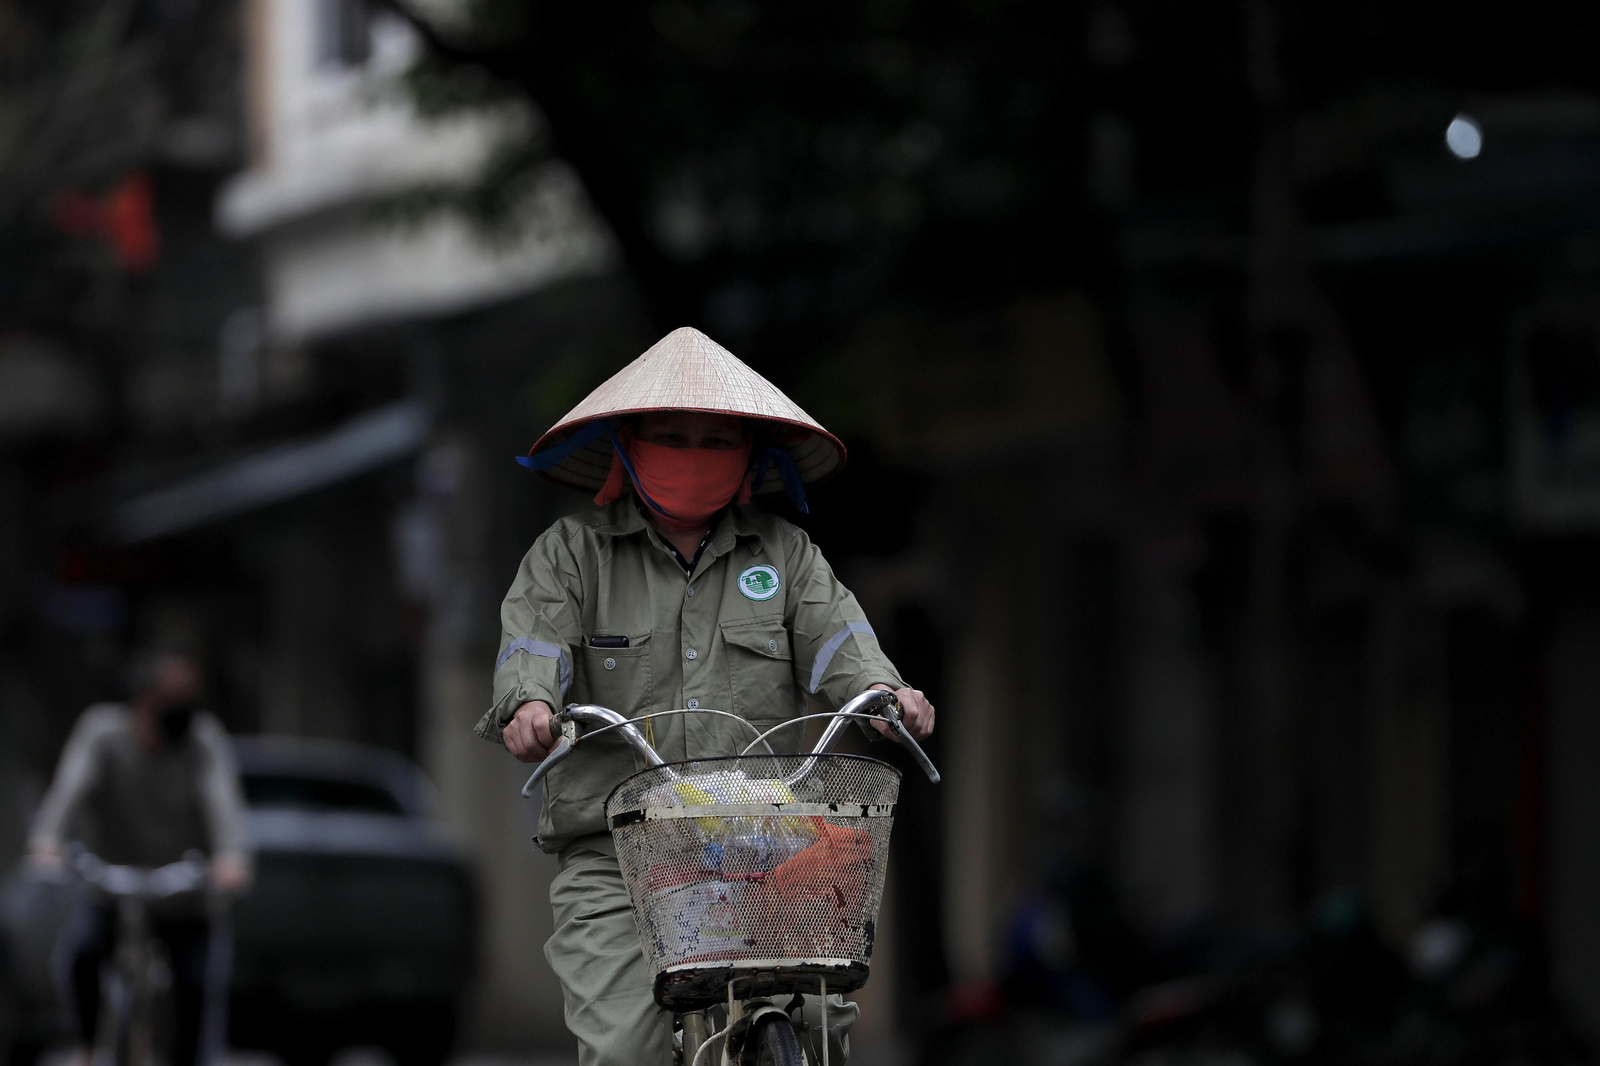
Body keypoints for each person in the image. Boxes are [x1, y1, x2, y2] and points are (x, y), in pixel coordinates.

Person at [478, 326, 934, 1066]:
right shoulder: (571, 555)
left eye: (714, 440)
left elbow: (842, 642)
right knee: (625, 1050)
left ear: (750, 456)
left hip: (766, 842)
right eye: (671, 437)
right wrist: (529, 707)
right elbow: (533, 649)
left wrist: (887, 694)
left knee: (821, 1027)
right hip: (617, 849)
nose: (693, 455)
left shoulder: (785, 554)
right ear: (629, 445)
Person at [29, 650, 251, 1066]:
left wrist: (230, 859)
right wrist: (47, 841)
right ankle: (87, 1047)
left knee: (196, 984)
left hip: (184, 891)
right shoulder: (102, 733)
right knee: (80, 957)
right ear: (143, 699)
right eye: (170, 698)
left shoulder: (202, 741)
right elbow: (68, 792)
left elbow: (223, 806)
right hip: (113, 883)